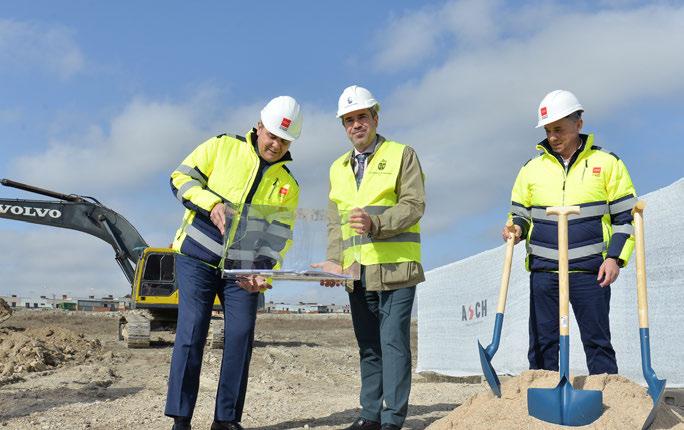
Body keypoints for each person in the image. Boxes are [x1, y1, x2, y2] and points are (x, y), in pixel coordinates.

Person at [164, 96, 303, 430]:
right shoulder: (222, 146)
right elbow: (180, 178)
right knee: (192, 331)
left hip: (243, 271)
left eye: (284, 141)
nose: (275, 144)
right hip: (196, 258)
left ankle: (226, 420)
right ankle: (181, 419)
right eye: (272, 135)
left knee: (240, 336)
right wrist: (211, 203)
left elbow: (279, 236)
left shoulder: (288, 185)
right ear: (259, 126)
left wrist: (265, 272)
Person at [312, 85, 425, 430]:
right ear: (344, 126)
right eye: (349, 120)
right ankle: (369, 416)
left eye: (362, 116)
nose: (356, 124)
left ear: (375, 118)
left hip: (396, 268)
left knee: (393, 344)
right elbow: (336, 222)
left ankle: (392, 420)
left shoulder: (402, 154)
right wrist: (334, 261)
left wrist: (377, 224)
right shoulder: (337, 168)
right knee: (369, 347)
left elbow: (414, 205)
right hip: (357, 272)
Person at [505, 89, 637, 375]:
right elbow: (520, 214)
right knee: (542, 343)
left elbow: (625, 218)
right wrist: (516, 228)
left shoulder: (607, 164)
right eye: (548, 131)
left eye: (559, 129)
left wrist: (614, 258)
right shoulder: (531, 170)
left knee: (597, 342)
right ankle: (544, 392)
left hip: (591, 271)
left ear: (578, 124)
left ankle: (606, 394)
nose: (553, 137)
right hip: (545, 271)